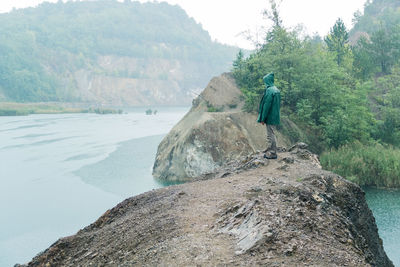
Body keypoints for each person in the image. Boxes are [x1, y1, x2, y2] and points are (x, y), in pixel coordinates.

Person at [257, 72, 281, 159]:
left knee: (270, 134)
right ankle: (270, 148)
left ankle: (273, 153)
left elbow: (266, 106)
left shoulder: (269, 91)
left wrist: (263, 118)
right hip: (275, 115)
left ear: (268, 81)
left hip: (270, 116)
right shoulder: (276, 89)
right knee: (272, 133)